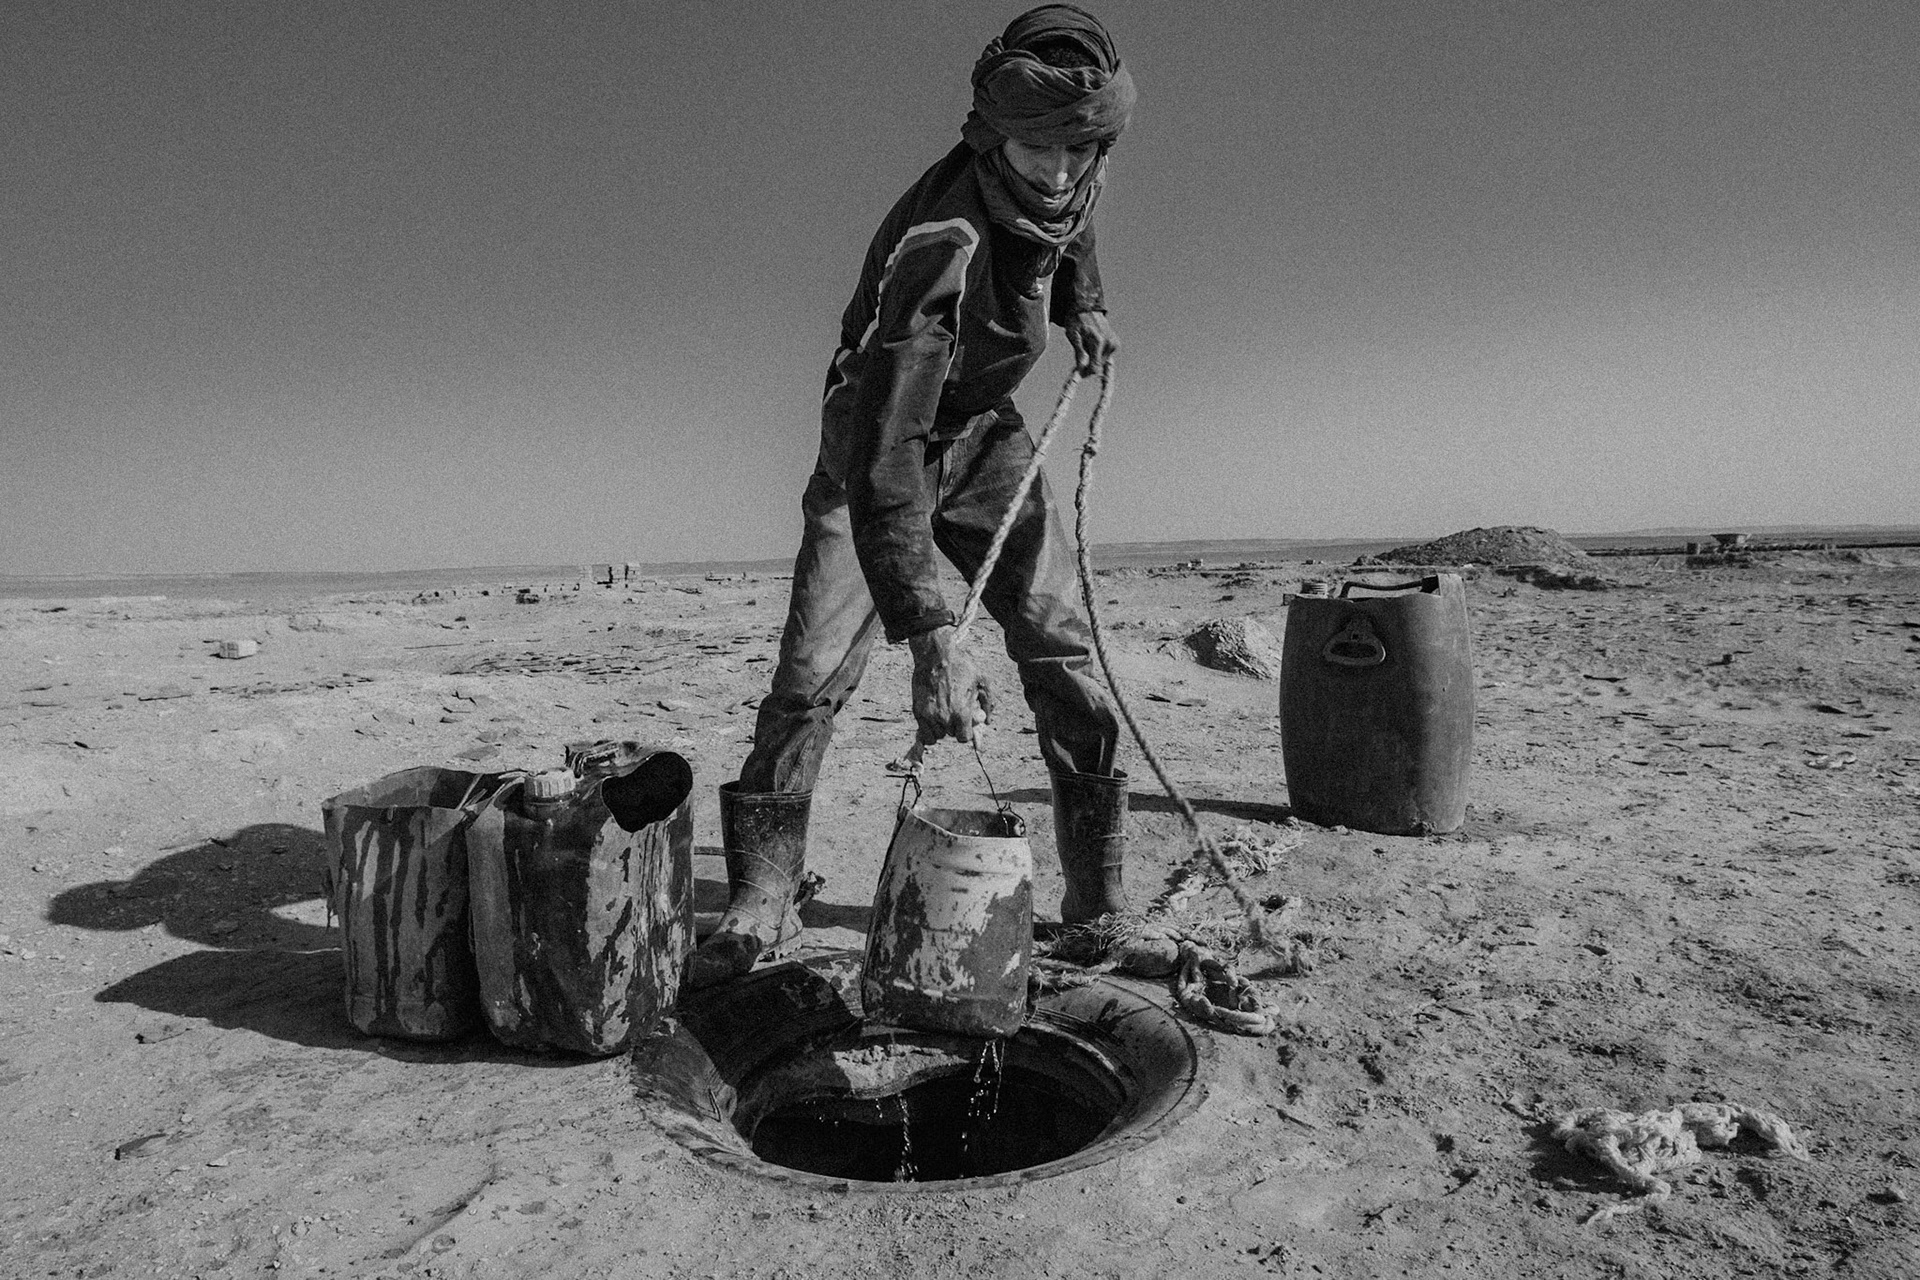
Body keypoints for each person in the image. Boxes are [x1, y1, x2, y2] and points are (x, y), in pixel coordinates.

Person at [685, 4, 1138, 989]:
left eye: (1080, 149)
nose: (1058, 171)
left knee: (1061, 640)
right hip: (876, 436)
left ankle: (1098, 903)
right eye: (1039, 147)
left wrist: (1085, 303)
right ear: (992, 133)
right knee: (812, 670)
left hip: (981, 432)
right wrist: (932, 636)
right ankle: (763, 892)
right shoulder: (946, 240)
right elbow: (888, 449)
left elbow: (1071, 228)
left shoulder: (1067, 176)